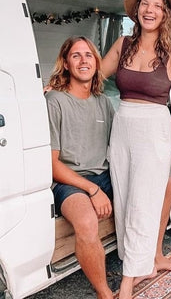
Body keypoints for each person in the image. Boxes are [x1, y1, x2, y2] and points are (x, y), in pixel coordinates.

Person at [102, 0, 171, 299]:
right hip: (122, 128)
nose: (150, 10)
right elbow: (95, 74)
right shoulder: (122, 45)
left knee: (142, 203)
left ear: (165, 14)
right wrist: (56, 84)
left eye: (157, 5)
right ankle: (142, 263)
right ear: (137, 10)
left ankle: (127, 282)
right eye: (145, 4)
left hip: (155, 132)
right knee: (124, 200)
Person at [45, 36, 116, 299]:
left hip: (103, 175)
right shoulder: (55, 101)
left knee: (141, 197)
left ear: (96, 63)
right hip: (68, 180)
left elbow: (118, 145)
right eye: (76, 55)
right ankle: (104, 292)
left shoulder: (103, 102)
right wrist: (91, 190)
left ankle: (144, 264)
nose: (83, 60)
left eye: (88, 55)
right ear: (65, 63)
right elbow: (52, 165)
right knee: (87, 222)